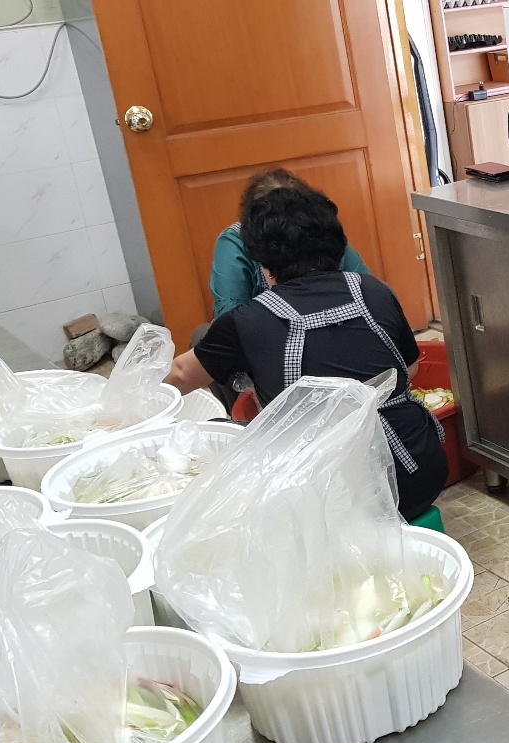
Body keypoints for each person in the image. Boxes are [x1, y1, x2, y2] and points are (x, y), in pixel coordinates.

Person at [167, 170, 448, 521]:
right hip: (418, 475)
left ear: (263, 263)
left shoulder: (247, 321)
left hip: (330, 502)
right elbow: (410, 368)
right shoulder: (374, 291)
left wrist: (133, 415)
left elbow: (181, 374)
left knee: (220, 440)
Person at [208, 169, 373, 319]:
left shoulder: (323, 232)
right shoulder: (234, 243)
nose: (291, 230)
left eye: (298, 219)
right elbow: (230, 323)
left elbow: (368, 296)